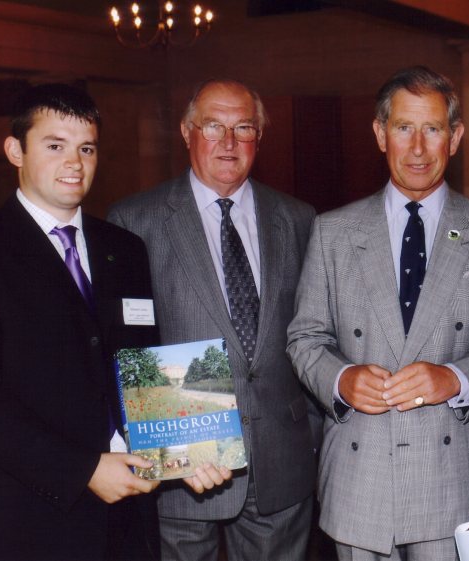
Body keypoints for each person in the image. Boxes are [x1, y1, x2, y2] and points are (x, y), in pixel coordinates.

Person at [287, 66, 469, 561]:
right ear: (379, 134)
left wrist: (456, 379)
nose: (417, 148)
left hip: (453, 479)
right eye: (403, 128)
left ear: (454, 138)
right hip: (359, 478)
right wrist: (341, 378)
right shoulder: (333, 231)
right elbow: (305, 337)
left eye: (432, 129)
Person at [0, 83, 162, 561]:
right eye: (55, 146)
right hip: (26, 520)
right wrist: (84, 470)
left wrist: (189, 452)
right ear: (16, 150)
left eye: (86, 148)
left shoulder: (127, 250)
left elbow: (144, 369)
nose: (74, 163)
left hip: (127, 519)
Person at [108, 79, 318, 561]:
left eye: (243, 127)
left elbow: (314, 330)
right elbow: (124, 346)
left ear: (259, 137)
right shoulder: (134, 221)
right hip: (182, 465)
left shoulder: (300, 219)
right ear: (186, 132)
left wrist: (313, 438)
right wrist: (170, 445)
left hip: (280, 463)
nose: (228, 142)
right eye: (213, 126)